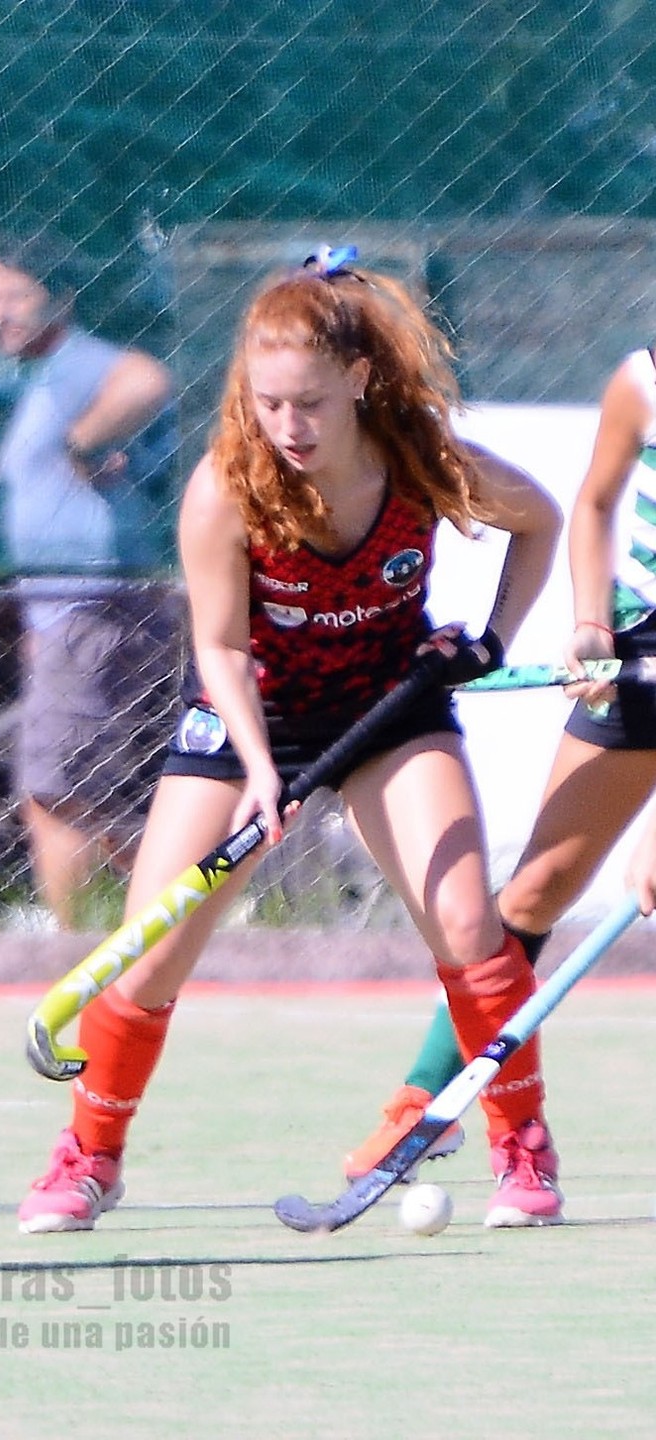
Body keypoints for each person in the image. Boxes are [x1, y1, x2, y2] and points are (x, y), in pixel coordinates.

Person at [16, 245, 564, 1236]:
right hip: (246, 721)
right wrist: (263, 772)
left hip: (389, 713)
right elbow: (219, 647)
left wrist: (488, 640)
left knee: (471, 929)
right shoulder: (228, 486)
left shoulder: (418, 457)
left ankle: (521, 1146)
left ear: (357, 380)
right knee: (148, 960)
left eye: (308, 402)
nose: (288, 426)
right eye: (268, 402)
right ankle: (88, 1160)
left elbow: (540, 520)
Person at [343, 336, 656, 1205]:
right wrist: (593, 624)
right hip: (641, 662)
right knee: (532, 895)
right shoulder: (642, 375)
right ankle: (430, 1100)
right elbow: (593, 506)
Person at [0, 233, 179, 929]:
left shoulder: (76, 364)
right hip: (64, 614)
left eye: (16, 298)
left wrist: (81, 440)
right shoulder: (38, 377)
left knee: (52, 785)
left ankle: (88, 939)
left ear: (60, 300)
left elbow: (148, 381)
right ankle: (169, 912)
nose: (0, 313)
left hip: (96, 605)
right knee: (72, 786)